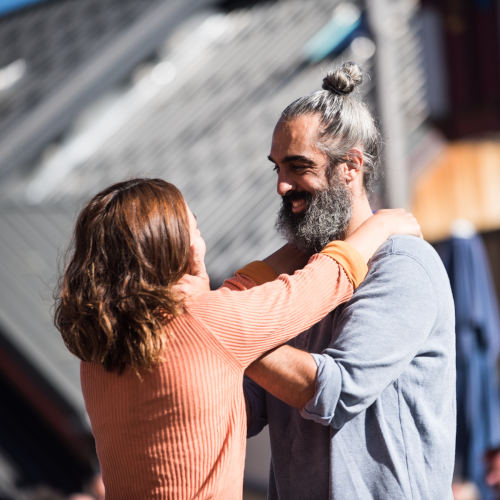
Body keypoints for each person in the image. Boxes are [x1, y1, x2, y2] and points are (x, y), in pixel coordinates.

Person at [54, 178, 418, 500]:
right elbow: (321, 284)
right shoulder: (206, 323)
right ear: (181, 247)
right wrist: (381, 224)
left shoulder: (99, 347)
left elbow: (233, 298)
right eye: (194, 226)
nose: (201, 237)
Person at [243, 62, 456, 499]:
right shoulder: (300, 278)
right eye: (277, 168)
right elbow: (245, 410)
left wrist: (224, 333)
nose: (282, 186)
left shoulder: (402, 265)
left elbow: (334, 391)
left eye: (298, 166)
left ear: (351, 167)